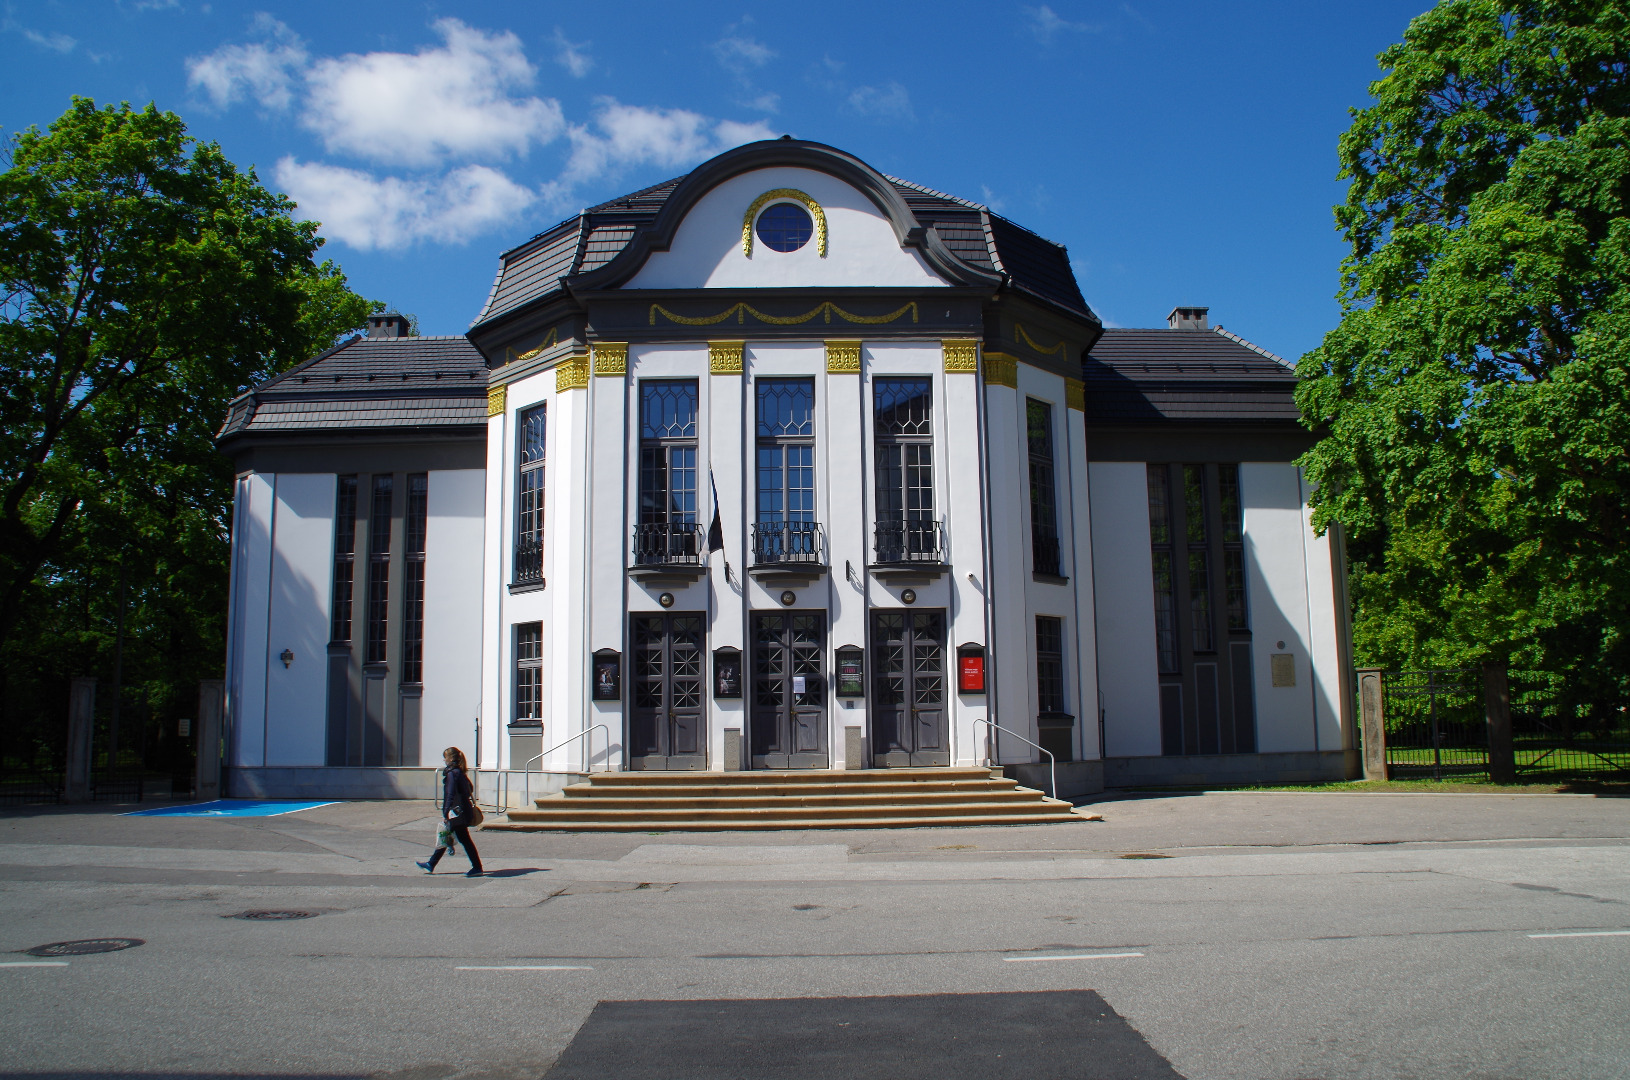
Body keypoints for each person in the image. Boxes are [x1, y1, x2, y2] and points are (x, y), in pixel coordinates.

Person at [417, 747, 484, 876]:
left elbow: (450, 794)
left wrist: (446, 812)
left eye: (445, 757)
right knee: (446, 836)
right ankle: (431, 863)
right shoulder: (460, 772)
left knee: (463, 839)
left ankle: (477, 867)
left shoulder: (452, 773)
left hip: (456, 813)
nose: (444, 760)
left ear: (451, 758)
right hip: (463, 811)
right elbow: (470, 787)